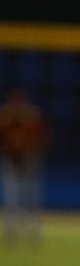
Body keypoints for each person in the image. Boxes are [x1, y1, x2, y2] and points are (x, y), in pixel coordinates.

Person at [0, 87, 50, 241]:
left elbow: (43, 137)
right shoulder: (5, 116)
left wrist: (34, 153)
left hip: (30, 160)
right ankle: (11, 230)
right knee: (11, 197)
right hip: (10, 160)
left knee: (31, 197)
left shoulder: (31, 116)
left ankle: (33, 230)